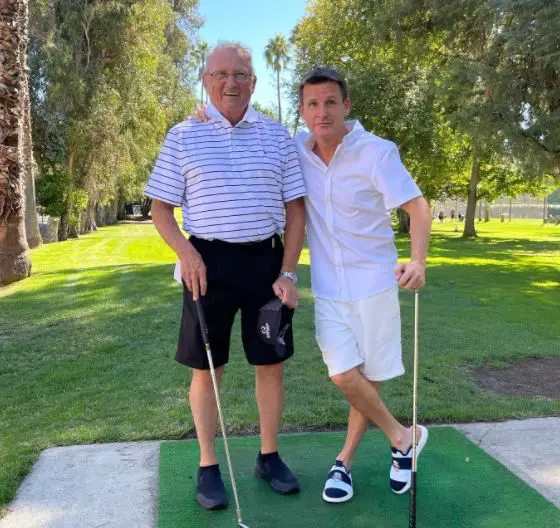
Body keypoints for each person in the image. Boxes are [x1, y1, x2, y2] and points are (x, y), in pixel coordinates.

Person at [144, 42, 306, 511]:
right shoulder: (181, 135)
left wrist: (289, 272)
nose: (230, 83)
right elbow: (161, 209)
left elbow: (295, 211)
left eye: (240, 74)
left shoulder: (277, 136)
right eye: (220, 74)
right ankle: (208, 464)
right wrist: (186, 253)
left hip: (265, 267)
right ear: (206, 80)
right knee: (206, 368)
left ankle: (269, 456)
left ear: (253, 83)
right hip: (206, 267)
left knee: (270, 363)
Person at [296, 67, 432, 503]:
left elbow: (418, 208)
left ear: (346, 106)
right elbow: (251, 138)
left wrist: (418, 261)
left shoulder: (377, 153)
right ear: (302, 111)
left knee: (368, 379)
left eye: (330, 102)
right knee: (342, 374)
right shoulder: (296, 150)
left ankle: (345, 462)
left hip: (374, 283)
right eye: (313, 104)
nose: (322, 112)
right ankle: (402, 437)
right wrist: (208, 114)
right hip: (329, 288)